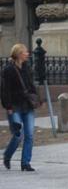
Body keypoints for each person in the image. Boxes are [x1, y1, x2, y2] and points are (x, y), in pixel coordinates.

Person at [1, 43, 37, 171]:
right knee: (17, 135)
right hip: (14, 106)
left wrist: (36, 97)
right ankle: (7, 155)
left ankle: (25, 163)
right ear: (18, 54)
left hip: (27, 106)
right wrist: (8, 106)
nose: (27, 54)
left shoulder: (27, 68)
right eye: (25, 52)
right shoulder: (8, 70)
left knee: (29, 135)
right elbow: (5, 90)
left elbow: (31, 85)